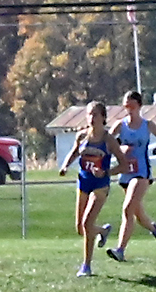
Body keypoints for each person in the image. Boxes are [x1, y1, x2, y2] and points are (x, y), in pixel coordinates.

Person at [107, 91, 156, 263]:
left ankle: (120, 250)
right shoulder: (119, 126)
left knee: (128, 208)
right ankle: (154, 229)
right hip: (125, 174)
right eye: (125, 105)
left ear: (139, 105)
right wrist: (121, 150)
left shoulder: (148, 125)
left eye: (131, 105)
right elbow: (107, 145)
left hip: (142, 173)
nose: (128, 109)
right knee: (137, 214)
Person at [60, 101, 117, 278]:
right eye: (89, 114)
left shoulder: (108, 140)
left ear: (103, 117)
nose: (91, 118)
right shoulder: (82, 136)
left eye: (95, 114)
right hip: (83, 182)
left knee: (86, 224)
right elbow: (75, 152)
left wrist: (106, 172)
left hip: (100, 185)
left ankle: (86, 266)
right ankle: (103, 231)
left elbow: (124, 164)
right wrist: (65, 166)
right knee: (80, 228)